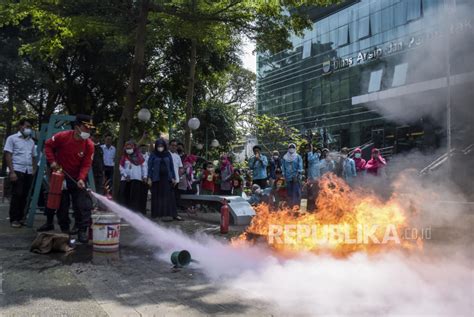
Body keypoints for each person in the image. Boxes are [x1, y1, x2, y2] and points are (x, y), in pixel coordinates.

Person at [42, 114, 95, 243]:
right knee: (62, 205)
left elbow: (86, 164)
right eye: (86, 128)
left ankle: (82, 231)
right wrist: (52, 162)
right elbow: (48, 145)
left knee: (83, 205)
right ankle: (65, 231)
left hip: (78, 177)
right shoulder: (62, 136)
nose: (88, 131)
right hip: (61, 176)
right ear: (77, 128)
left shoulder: (89, 145)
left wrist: (81, 178)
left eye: (90, 129)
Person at [3, 118, 37, 228]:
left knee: (25, 195)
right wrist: (11, 172)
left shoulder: (31, 141)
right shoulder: (12, 138)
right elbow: (8, 155)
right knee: (17, 194)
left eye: (29, 127)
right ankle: (14, 219)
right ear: (20, 126)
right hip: (17, 169)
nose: (28, 129)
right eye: (26, 126)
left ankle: (22, 217)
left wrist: (34, 169)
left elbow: (33, 157)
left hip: (28, 171)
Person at [148, 138, 182, 221]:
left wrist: (173, 177)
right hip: (156, 178)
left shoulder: (167, 154)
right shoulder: (153, 154)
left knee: (169, 196)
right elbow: (149, 167)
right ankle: (157, 214)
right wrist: (149, 177)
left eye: (162, 146)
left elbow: (171, 167)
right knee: (157, 196)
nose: (160, 147)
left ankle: (168, 214)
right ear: (156, 146)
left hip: (167, 178)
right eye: (159, 146)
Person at [118, 141, 147, 214]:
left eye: (130, 148)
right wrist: (125, 175)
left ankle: (134, 213)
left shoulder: (139, 157)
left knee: (135, 197)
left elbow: (144, 167)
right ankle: (125, 213)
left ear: (133, 148)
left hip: (136, 179)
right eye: (127, 148)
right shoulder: (124, 157)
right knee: (124, 196)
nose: (128, 149)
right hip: (126, 180)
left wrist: (144, 176)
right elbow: (121, 167)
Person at [281, 143, 303, 208]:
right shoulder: (284, 158)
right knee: (289, 193)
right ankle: (290, 207)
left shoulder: (298, 157)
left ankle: (297, 207)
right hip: (288, 178)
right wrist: (284, 177)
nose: (291, 148)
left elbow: (300, 168)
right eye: (290, 147)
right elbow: (283, 168)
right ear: (288, 148)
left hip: (296, 178)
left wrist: (296, 176)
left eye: (293, 147)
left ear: (295, 148)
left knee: (296, 192)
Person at [169, 139, 184, 208]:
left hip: (176, 180)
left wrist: (179, 176)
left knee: (174, 196)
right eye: (172, 145)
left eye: (175, 145)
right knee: (168, 196)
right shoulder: (166, 155)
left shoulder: (177, 156)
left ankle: (173, 212)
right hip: (168, 179)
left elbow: (180, 168)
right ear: (169, 146)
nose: (174, 147)